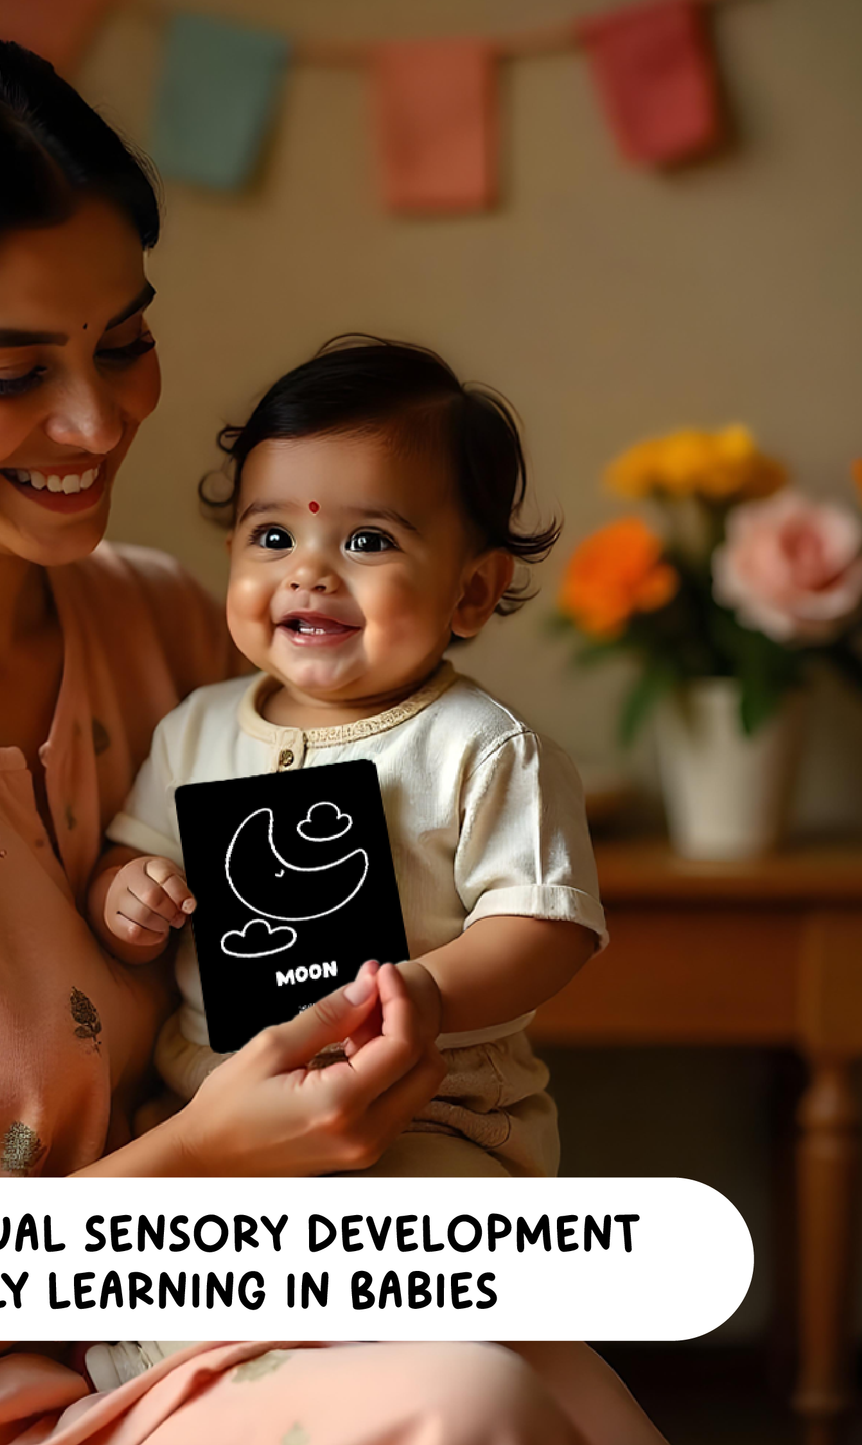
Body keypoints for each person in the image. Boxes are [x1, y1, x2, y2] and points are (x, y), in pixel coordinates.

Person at [0, 32, 665, 1445]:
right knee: (461, 1403)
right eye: (12, 373)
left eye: (123, 343)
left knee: (547, 1373)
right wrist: (198, 1166)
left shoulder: (162, 628)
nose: (97, 422)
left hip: (262, 1301)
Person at [89, 338, 602, 1182]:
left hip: (423, 1121)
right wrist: (127, 895)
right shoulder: (196, 727)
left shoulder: (483, 748)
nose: (309, 571)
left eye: (367, 541)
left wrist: (427, 996)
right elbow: (133, 853)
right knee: (171, 1308)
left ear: (470, 591)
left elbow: (545, 927)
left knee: (416, 1298)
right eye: (273, 534)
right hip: (212, 1116)